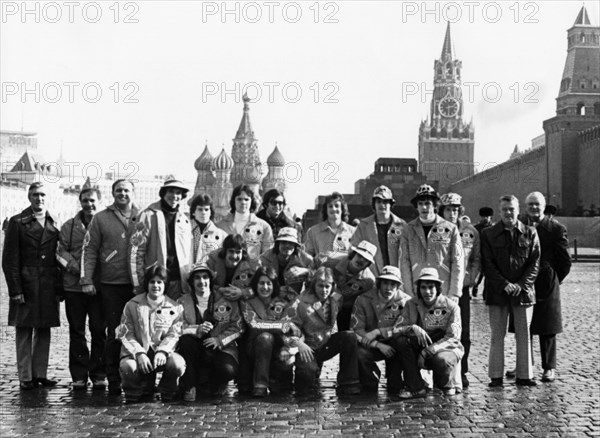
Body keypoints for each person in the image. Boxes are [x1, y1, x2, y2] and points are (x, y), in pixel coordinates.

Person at [81, 179, 139, 395]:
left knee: (139, 331)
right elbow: (90, 250)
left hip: (137, 285)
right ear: (113, 193)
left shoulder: (142, 216)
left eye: (126, 190)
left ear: (133, 192)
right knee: (115, 332)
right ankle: (113, 377)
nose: (122, 194)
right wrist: (86, 279)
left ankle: (138, 376)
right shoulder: (101, 218)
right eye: (118, 190)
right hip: (111, 284)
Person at [2, 182, 62, 390]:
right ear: (29, 197)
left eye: (43, 195)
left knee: (44, 330)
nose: (39, 198)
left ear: (48, 197)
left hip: (48, 285)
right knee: (24, 331)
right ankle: (25, 377)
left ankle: (40, 374)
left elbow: (59, 259)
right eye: (35, 195)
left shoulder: (54, 224)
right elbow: (9, 260)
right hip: (26, 285)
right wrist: (15, 289)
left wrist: (59, 288)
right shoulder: (17, 222)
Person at [481, 194, 540, 388]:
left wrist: (521, 285)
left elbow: (534, 263)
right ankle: (495, 376)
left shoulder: (530, 233)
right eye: (505, 209)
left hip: (523, 293)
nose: (508, 213)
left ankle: (525, 375)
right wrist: (504, 284)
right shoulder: (488, 234)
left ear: (518, 210)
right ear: (499, 211)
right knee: (497, 335)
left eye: (512, 209)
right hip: (498, 292)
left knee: (523, 334)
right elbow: (487, 264)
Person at [56, 187, 106, 390]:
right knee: (77, 331)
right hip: (74, 287)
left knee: (98, 330)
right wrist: (76, 268)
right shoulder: (69, 226)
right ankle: (79, 374)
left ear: (99, 201)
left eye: (92, 200)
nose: (89, 204)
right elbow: (60, 251)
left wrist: (93, 274)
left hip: (98, 287)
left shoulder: (104, 224)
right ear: (80, 202)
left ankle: (99, 373)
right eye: (85, 201)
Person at [285, 266, 361, 396]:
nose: (324, 290)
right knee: (306, 383)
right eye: (320, 286)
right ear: (313, 285)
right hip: (306, 348)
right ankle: (306, 376)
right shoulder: (299, 303)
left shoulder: (336, 298)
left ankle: (349, 382)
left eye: (328, 286)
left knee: (349, 336)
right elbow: (287, 327)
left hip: (325, 344)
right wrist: (298, 343)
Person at [389, 267, 464, 398]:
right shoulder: (410, 304)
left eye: (431, 287)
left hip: (446, 348)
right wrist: (412, 327)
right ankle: (416, 387)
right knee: (400, 341)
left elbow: (453, 338)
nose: (427, 292)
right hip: (420, 345)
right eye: (423, 287)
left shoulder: (452, 306)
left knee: (441, 360)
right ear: (419, 289)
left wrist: (427, 351)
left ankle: (447, 384)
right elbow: (395, 331)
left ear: (438, 288)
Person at [116, 265, 186, 403]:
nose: (156, 285)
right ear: (147, 284)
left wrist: (163, 351)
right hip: (138, 354)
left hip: (162, 354)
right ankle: (134, 391)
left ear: (165, 285)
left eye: (159, 282)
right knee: (128, 367)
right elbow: (125, 333)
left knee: (177, 365)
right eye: (152, 282)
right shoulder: (132, 305)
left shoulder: (175, 307)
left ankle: (167, 389)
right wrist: (139, 353)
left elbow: (175, 333)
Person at [177, 263, 244, 400]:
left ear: (210, 280)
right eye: (197, 278)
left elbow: (238, 326)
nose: (202, 282)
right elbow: (175, 327)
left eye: (205, 277)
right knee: (185, 341)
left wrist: (219, 340)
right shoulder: (182, 301)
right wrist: (195, 330)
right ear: (191, 282)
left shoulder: (226, 300)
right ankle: (190, 386)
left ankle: (217, 383)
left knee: (227, 370)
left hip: (221, 347)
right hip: (195, 348)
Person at [524, 192, 571, 383]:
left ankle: (549, 367)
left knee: (547, 327)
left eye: (537, 204)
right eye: (530, 205)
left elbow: (565, 261)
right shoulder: (521, 227)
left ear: (543, 206)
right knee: (524, 324)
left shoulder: (555, 229)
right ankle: (525, 365)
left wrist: (553, 278)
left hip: (547, 282)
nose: (534, 208)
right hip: (526, 282)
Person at [438, 193, 480, 388]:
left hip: (461, 290)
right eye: (448, 209)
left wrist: (470, 278)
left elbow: (476, 259)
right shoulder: (437, 230)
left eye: (455, 209)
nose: (452, 212)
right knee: (440, 331)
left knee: (463, 333)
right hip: (442, 289)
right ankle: (443, 371)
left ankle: (462, 372)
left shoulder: (470, 231)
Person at [351, 265, 410, 394]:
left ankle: (396, 377)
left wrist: (378, 332)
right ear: (379, 283)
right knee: (359, 353)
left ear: (398, 285)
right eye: (385, 283)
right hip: (369, 344)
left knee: (395, 387)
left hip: (394, 343)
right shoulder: (362, 299)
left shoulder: (406, 302)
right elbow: (356, 328)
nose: (389, 288)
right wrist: (377, 344)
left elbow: (404, 328)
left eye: (393, 284)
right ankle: (371, 378)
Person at [130, 179, 192, 299]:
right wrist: (138, 283)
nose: (174, 196)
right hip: (154, 281)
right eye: (171, 191)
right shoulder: (147, 215)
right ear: (163, 193)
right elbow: (136, 251)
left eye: (178, 192)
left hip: (177, 282)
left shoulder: (184, 220)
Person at [240, 267, 297, 397]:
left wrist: (284, 327)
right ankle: (260, 384)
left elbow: (289, 324)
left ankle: (278, 379)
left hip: (280, 346)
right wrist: (280, 326)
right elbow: (254, 324)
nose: (265, 287)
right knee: (265, 337)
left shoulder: (283, 301)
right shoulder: (247, 302)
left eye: (268, 283)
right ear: (256, 284)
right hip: (256, 347)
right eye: (261, 283)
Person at [399, 184, 464, 299]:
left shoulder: (450, 229)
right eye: (420, 203)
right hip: (418, 289)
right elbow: (404, 262)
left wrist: (454, 293)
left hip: (444, 289)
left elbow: (457, 262)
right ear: (416, 206)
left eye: (428, 203)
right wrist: (408, 292)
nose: (424, 208)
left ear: (435, 205)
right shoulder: (408, 230)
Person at [351, 185, 407, 276]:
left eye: (385, 202)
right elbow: (354, 250)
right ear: (374, 204)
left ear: (391, 204)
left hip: (396, 279)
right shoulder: (363, 226)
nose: (382, 205)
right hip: (371, 278)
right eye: (378, 201)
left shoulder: (402, 226)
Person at [217, 184, 274, 261]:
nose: (243, 202)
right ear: (234, 201)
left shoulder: (264, 227)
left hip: (252, 270)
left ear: (252, 201)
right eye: (239, 199)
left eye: (246, 199)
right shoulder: (220, 225)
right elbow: (215, 253)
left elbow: (268, 255)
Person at [332, 240, 377, 331]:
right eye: (360, 256)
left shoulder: (368, 281)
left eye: (366, 260)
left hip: (344, 311)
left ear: (368, 264)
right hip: (321, 299)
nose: (361, 260)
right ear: (353, 254)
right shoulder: (332, 259)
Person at [304, 192, 355, 268]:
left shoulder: (353, 232)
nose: (334, 209)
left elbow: (355, 256)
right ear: (326, 210)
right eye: (330, 206)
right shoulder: (313, 232)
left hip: (346, 277)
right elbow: (308, 256)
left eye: (337, 206)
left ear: (342, 209)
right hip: (322, 276)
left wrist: (334, 257)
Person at [259, 227, 314, 294]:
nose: (287, 246)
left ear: (296, 246)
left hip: (293, 297)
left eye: (291, 243)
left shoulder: (304, 258)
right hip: (269, 294)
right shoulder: (265, 258)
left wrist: (306, 271)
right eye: (284, 242)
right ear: (277, 244)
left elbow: (318, 273)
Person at [189, 194, 228, 265]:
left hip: (210, 274)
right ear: (193, 212)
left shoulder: (222, 235)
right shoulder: (184, 232)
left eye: (206, 209)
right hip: (186, 273)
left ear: (211, 212)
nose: (203, 213)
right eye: (200, 209)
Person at [473, 206, 494, 297]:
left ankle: (486, 292)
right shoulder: (476, 228)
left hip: (490, 253)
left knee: (489, 273)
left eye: (487, 216)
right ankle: (476, 286)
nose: (485, 218)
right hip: (479, 252)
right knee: (479, 273)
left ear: (490, 217)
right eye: (483, 216)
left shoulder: (494, 228)